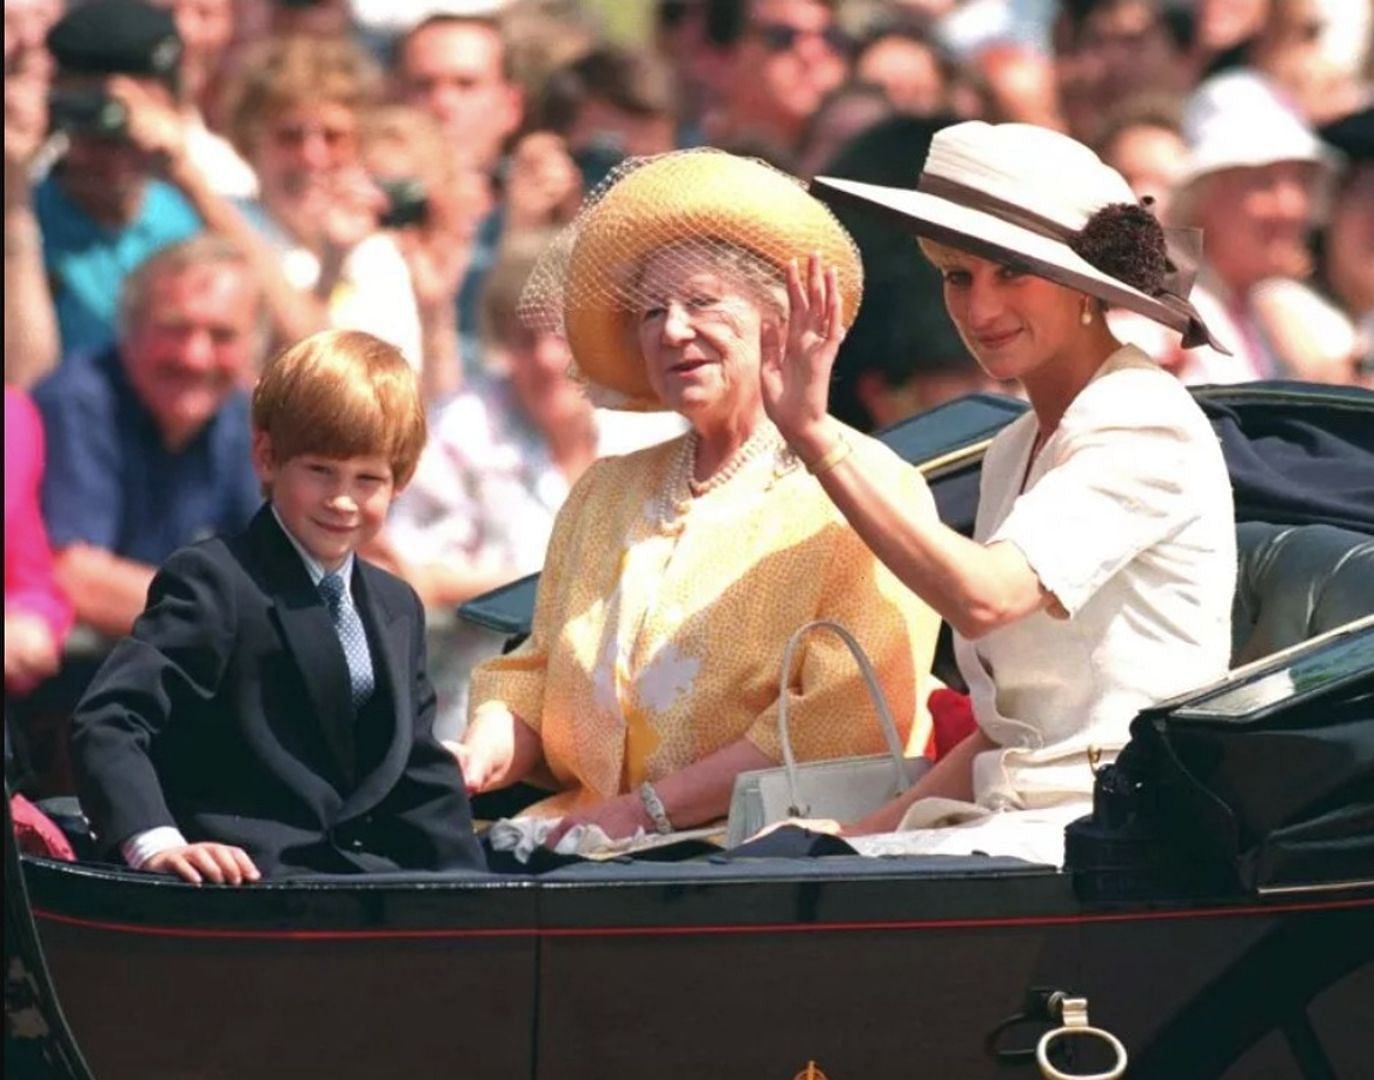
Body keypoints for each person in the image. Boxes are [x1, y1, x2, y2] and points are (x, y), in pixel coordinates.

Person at [762, 121, 1237, 864]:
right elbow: (1009, 734)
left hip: (1114, 840)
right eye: (959, 276)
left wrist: (817, 437)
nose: (979, 311)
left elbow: (984, 598)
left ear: (1085, 287)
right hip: (1012, 828)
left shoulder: (1144, 418)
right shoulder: (1015, 445)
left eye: (1010, 271)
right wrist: (850, 839)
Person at [458, 149, 940, 843]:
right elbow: (534, 675)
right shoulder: (607, 490)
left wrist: (643, 810)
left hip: (758, 861)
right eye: (652, 313)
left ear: (778, 316)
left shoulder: (861, 484)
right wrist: (481, 752)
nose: (673, 330)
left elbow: (846, 717)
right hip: (577, 847)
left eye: (702, 302)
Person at [70, 329, 486, 883]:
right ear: (267, 458)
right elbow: (112, 718)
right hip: (243, 886)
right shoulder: (217, 580)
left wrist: (478, 894)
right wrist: (157, 842)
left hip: (363, 886)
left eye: (368, 479)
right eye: (320, 471)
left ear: (401, 481)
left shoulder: (394, 604)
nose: (342, 500)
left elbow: (416, 767)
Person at [34, 236, 264, 640]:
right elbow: (76, 576)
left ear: (251, 349)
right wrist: (238, 616)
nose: (195, 357)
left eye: (222, 335)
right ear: (129, 330)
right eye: (175, 329)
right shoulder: (77, 401)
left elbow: (284, 560)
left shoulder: (243, 416)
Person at [31, 0, 203, 362]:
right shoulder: (25, 221)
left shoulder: (195, 218)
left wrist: (189, 180)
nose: (114, 144)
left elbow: (296, 344)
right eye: (92, 116)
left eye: (133, 119)